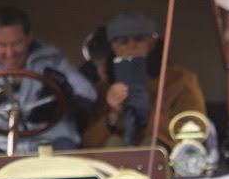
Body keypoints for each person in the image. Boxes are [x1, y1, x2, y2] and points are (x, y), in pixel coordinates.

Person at [0, 5, 96, 154]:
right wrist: (0, 89)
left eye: (16, 43)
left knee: (69, 156)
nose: (10, 53)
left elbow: (89, 95)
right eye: (2, 45)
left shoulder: (51, 60)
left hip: (50, 140)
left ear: (29, 38)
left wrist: (63, 85)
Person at [81, 11, 206, 149]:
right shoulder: (103, 89)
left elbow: (196, 131)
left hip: (162, 157)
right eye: (123, 41)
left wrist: (150, 115)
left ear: (151, 43)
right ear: (114, 46)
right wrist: (113, 115)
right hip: (116, 160)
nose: (131, 45)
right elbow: (88, 144)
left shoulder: (181, 80)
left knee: (150, 146)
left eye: (139, 39)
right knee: (114, 143)